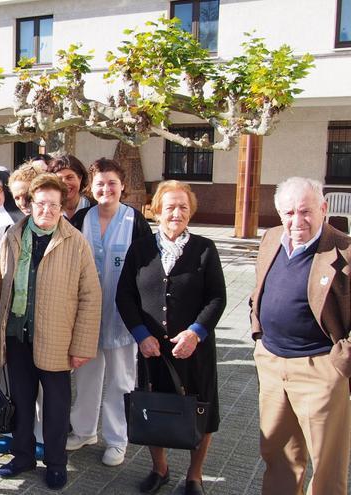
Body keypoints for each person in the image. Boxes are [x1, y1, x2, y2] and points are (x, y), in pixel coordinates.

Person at [0, 173, 101, 491]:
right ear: (30, 204)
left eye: (53, 204)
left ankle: (56, 463)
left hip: (57, 340)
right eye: (41, 204)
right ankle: (22, 456)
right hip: (16, 336)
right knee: (21, 400)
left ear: (62, 206)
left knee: (56, 405)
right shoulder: (13, 236)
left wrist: (82, 345)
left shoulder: (75, 242)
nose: (46, 210)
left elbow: (91, 297)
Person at [116, 180, 226, 495]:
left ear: (190, 211)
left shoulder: (205, 249)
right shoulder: (140, 248)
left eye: (182, 207)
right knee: (153, 408)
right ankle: (159, 469)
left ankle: (194, 476)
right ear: (156, 212)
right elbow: (124, 296)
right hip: (153, 350)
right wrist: (141, 335)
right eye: (169, 207)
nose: (176, 213)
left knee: (201, 411)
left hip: (195, 350)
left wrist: (196, 333)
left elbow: (217, 298)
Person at [250, 177, 351, 495]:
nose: (297, 221)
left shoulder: (346, 251)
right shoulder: (272, 238)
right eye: (289, 213)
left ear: (323, 209)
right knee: (278, 454)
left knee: (326, 463)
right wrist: (257, 333)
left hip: (320, 368)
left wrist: (341, 362)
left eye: (306, 211)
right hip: (271, 364)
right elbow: (259, 290)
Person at [66, 158, 151, 467]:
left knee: (121, 381)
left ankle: (117, 440)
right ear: (92, 187)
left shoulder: (135, 221)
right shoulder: (81, 219)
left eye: (112, 183)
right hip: (86, 316)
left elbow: (148, 270)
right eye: (100, 183)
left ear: (122, 186)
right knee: (87, 375)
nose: (106, 189)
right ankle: (85, 431)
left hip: (123, 318)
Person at [54, 154, 91, 220]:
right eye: (59, 179)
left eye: (69, 177)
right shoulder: (49, 210)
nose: (64, 183)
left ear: (80, 178)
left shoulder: (93, 208)